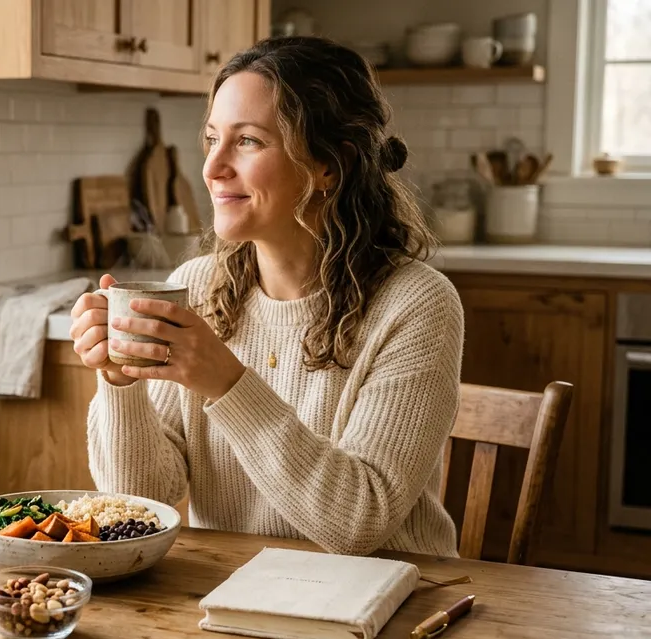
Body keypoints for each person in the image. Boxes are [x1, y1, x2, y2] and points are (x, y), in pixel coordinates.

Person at [68, 36, 463, 558]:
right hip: (233, 597)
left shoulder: (416, 304)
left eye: (248, 141)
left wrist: (225, 382)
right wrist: (120, 383)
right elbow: (143, 501)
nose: (212, 168)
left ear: (329, 165)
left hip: (388, 607)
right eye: (212, 139)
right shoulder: (200, 286)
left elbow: (358, 524)